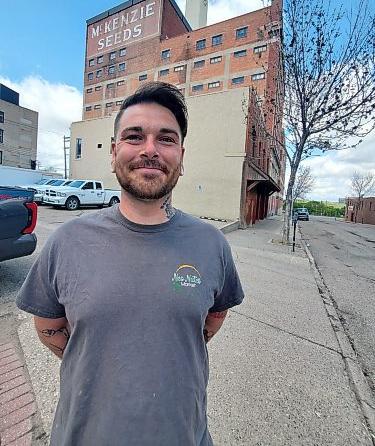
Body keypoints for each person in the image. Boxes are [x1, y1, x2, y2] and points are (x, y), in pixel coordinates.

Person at [16, 82, 244, 446]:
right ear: (113, 152)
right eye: (135, 136)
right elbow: (48, 326)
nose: (150, 149)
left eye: (166, 139)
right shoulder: (67, 241)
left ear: (181, 157)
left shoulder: (211, 243)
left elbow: (214, 316)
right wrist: (95, 359)